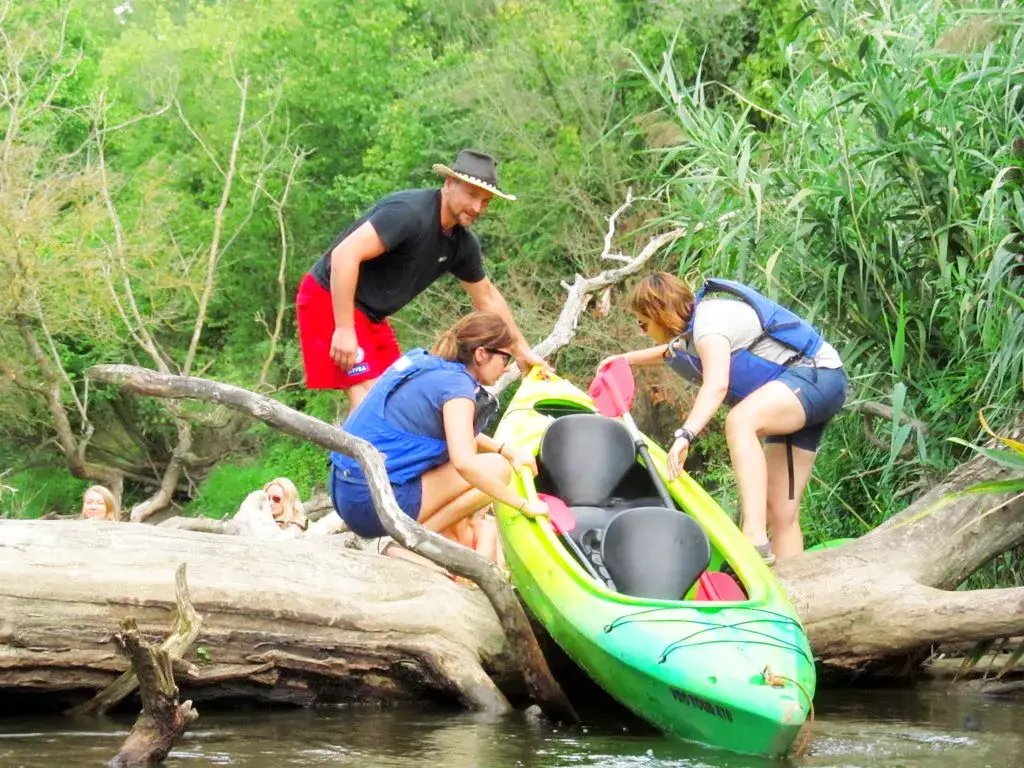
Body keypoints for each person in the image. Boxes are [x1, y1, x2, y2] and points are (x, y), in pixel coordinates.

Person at [601, 273, 847, 564]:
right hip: (800, 395)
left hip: (816, 377)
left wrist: (685, 434)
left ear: (659, 313)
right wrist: (622, 360)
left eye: (643, 323)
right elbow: (669, 353)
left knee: (740, 420)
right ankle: (795, 592)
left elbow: (716, 384)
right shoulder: (689, 334)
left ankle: (753, 537)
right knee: (780, 513)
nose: (643, 331)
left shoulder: (710, 325)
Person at [297, 148, 548, 409]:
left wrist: (521, 351)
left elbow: (486, 297)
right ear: (449, 183)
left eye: (485, 201)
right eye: (472, 195)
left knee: (400, 392)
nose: (477, 207)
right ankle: (359, 451)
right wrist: (345, 329)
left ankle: (367, 449)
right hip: (329, 298)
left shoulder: (462, 244)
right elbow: (344, 255)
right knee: (375, 402)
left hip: (371, 316)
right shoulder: (408, 213)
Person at [329, 311, 547, 567]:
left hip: (345, 490)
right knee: (497, 470)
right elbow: (465, 463)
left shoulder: (424, 362)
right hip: (371, 503)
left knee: (491, 460)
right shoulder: (458, 387)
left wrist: (506, 449)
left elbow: (458, 430)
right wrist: (524, 505)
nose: (507, 367)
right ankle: (411, 543)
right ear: (481, 354)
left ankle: (416, 540)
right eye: (505, 357)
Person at [230, 477, 307, 539]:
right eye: (267, 499)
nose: (270, 503)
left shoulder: (297, 525)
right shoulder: (262, 517)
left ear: (288, 500)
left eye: (276, 499)